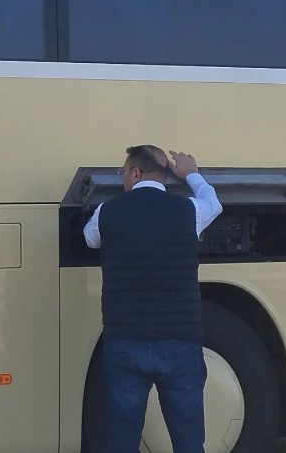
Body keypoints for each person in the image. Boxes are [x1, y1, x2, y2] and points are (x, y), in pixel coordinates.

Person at [83, 144, 222, 453]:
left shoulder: (108, 212)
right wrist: (192, 176)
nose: (122, 178)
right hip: (180, 343)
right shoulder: (188, 211)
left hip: (126, 343)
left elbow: (89, 238)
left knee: (121, 439)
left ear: (135, 172)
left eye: (122, 172)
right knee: (188, 441)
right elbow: (214, 204)